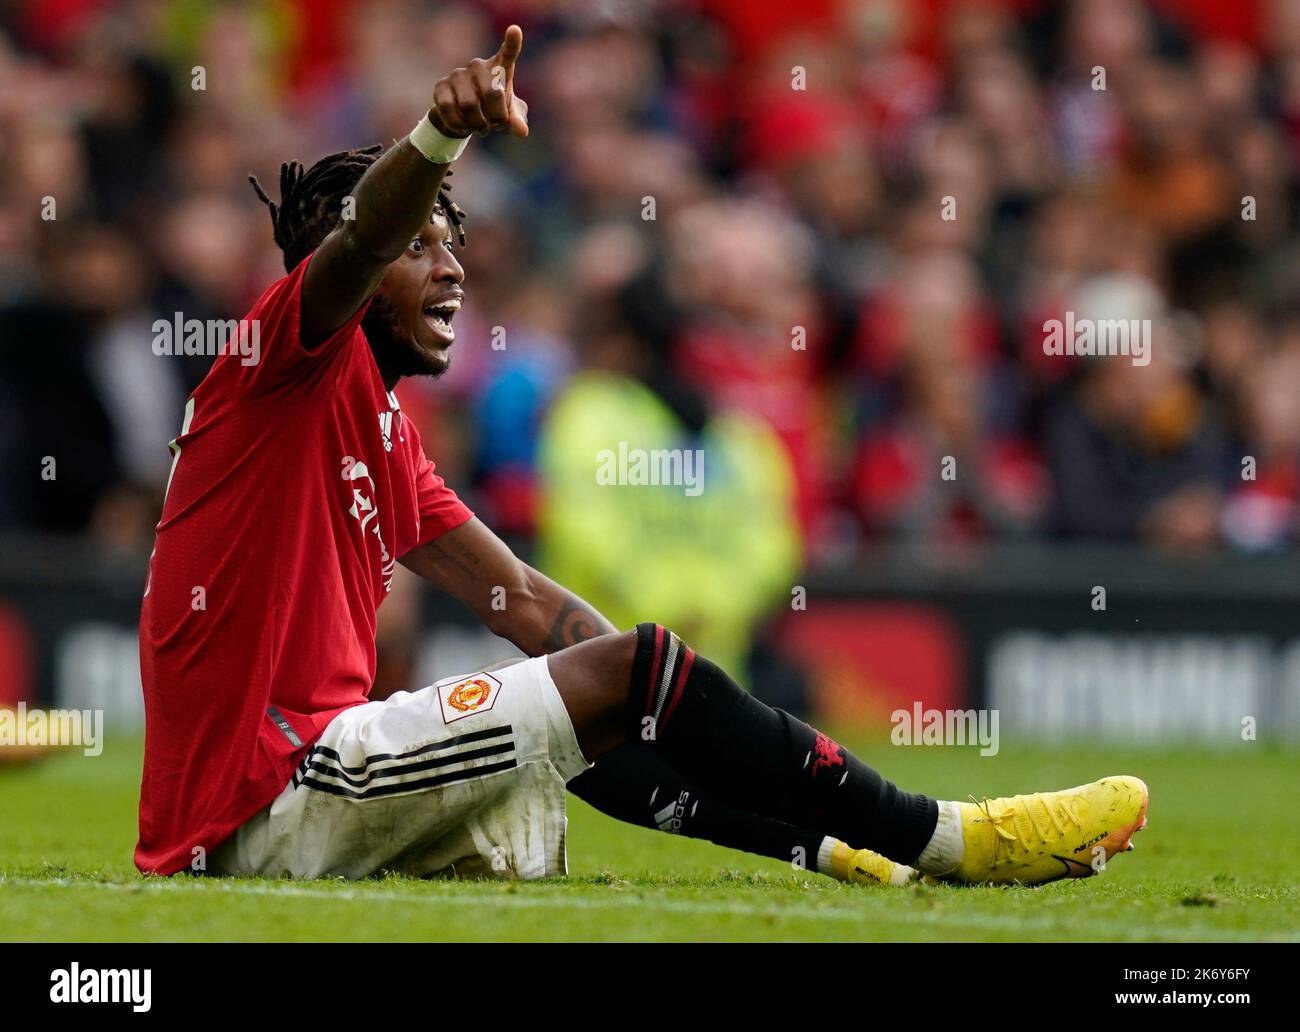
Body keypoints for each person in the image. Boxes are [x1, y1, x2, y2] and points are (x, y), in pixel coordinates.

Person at [136, 26, 1147, 886]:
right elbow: (353, 246)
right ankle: (951, 838)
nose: (450, 270)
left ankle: (836, 848)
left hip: (309, 791)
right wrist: (441, 134)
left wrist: (707, 744)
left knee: (576, 735)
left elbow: (536, 615)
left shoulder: (385, 435)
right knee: (628, 673)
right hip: (264, 796)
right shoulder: (274, 370)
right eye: (422, 246)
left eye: (454, 243)